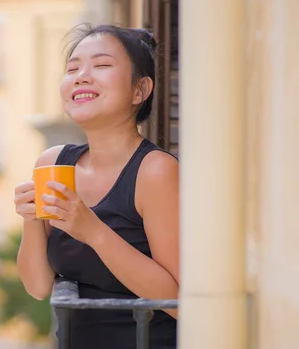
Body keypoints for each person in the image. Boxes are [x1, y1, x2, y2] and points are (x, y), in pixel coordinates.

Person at [14, 24, 179, 348]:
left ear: (140, 90)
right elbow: (37, 286)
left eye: (101, 65)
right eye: (72, 68)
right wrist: (31, 220)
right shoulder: (53, 163)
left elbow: (178, 300)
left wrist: (93, 231)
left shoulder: (155, 171)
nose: (81, 76)